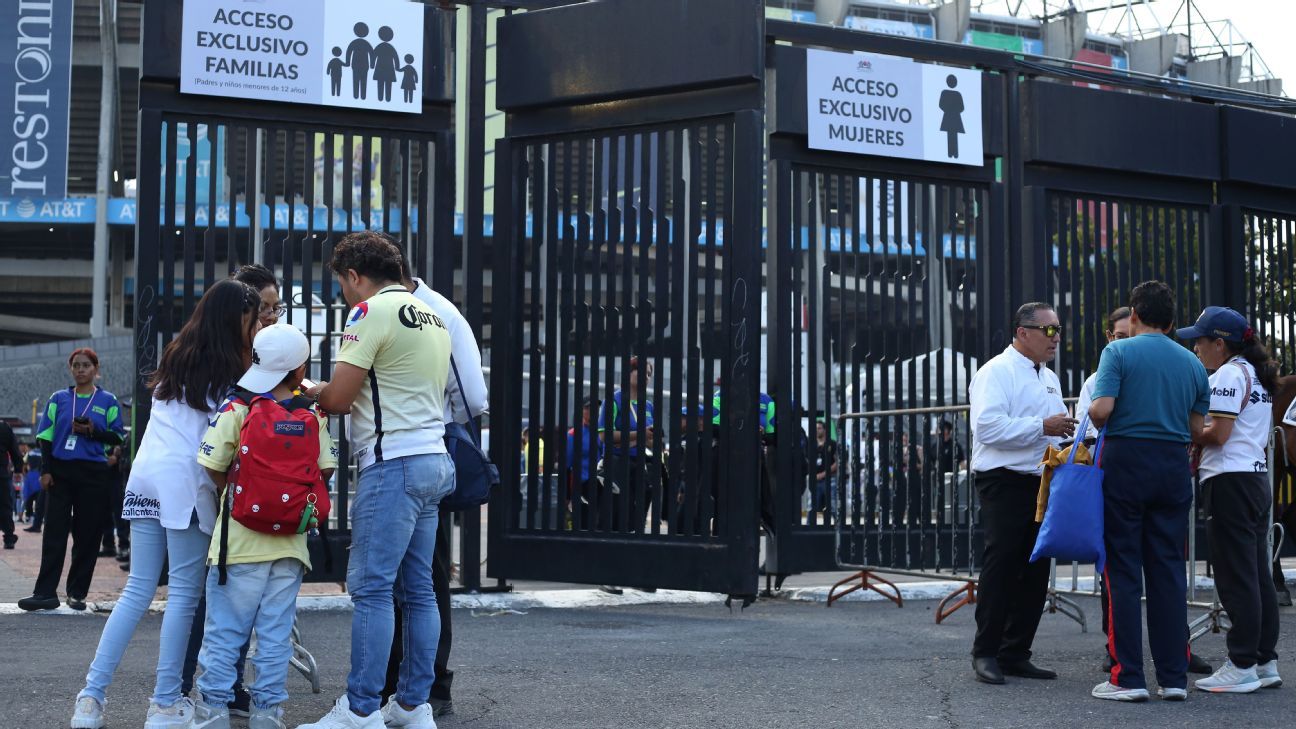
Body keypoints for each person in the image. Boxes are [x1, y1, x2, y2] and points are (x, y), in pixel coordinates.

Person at [66, 280, 262, 729]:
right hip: (188, 484)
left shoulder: (177, 354)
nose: (257, 327)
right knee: (183, 598)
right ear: (237, 318)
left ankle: (90, 700)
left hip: (147, 476)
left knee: (136, 591)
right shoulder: (234, 367)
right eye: (253, 319)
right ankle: (165, 702)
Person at [300, 231, 454, 729]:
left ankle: (360, 708)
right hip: (433, 458)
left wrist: (313, 388)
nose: (345, 294)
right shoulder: (432, 316)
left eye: (343, 284)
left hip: (392, 464)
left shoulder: (369, 313)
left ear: (353, 276)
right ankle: (412, 705)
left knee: (371, 589)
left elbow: (340, 398)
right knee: (421, 593)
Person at [191, 323, 337, 729]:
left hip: (237, 545)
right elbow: (323, 472)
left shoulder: (237, 406)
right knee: (274, 636)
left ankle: (213, 711)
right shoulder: (312, 414)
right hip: (290, 547)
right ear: (300, 368)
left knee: (224, 633)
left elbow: (210, 464)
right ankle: (268, 713)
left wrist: (241, 497)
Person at [378, 256, 490, 719]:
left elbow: (475, 398)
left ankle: (406, 684)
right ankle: (422, 686)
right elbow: (473, 399)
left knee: (399, 577)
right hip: (424, 450)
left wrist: (427, 416)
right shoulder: (439, 310)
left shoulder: (426, 312)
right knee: (425, 574)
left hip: (397, 453)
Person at [1088, 281, 1211, 702]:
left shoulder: (1117, 352)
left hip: (1126, 463)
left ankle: (1128, 678)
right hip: (1173, 465)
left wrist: (1091, 410)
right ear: (1174, 323)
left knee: (1122, 570)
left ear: (1134, 316)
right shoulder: (1193, 365)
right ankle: (1175, 678)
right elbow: (1198, 430)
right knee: (1168, 571)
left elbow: (1101, 411)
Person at [180, 262, 285, 711]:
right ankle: (196, 688)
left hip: (251, 506)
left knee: (242, 607)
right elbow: (212, 452)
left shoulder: (272, 361)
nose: (269, 317)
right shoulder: (228, 366)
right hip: (226, 504)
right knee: (215, 600)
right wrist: (231, 488)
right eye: (262, 308)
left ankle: (224, 696)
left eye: (276, 308)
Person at [967, 302, 1074, 686]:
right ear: (1022, 332)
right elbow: (988, 429)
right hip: (1003, 478)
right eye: (1048, 330)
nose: (1056, 337)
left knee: (1035, 568)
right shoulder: (996, 372)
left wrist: (1070, 434)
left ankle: (1016, 651)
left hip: (1040, 478)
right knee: (1002, 565)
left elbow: (1054, 424)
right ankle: (986, 652)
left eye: (1058, 329)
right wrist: (1042, 425)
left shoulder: (1048, 377)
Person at [1180, 307, 1283, 693]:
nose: (1196, 349)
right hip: (1254, 478)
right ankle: (1263, 659)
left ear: (1219, 343)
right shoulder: (1257, 373)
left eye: (1200, 341)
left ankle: (1241, 663)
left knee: (1237, 575)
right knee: (1256, 573)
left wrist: (1190, 426)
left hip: (1230, 481)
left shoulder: (1227, 373)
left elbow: (1218, 434)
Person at [18, 349, 127, 613]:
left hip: (94, 474)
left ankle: (77, 593)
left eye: (86, 365)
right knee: (54, 531)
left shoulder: (108, 400)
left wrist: (94, 431)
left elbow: (117, 438)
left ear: (95, 368)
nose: (80, 370)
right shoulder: (59, 398)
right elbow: (44, 436)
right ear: (71, 369)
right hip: (61, 471)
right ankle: (44, 593)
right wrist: (46, 470)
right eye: (76, 366)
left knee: (87, 534)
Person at [567, 400, 602, 531]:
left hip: (602, 486)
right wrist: (566, 496)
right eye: (588, 408)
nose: (593, 412)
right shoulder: (573, 434)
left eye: (597, 409)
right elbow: (566, 466)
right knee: (582, 526)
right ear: (582, 411)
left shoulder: (604, 433)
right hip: (581, 486)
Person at [0, 419, 21, 549]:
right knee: (4, 504)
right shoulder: (4, 427)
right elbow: (14, 450)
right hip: (1, 472)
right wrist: (18, 469)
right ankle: (8, 537)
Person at [812, 422, 838, 521]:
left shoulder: (832, 443)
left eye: (819, 428)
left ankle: (838, 528)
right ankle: (809, 529)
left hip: (830, 479)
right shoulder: (812, 444)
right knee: (812, 506)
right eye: (816, 428)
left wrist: (823, 474)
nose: (817, 430)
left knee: (833, 506)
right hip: (815, 480)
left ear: (825, 430)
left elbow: (837, 462)